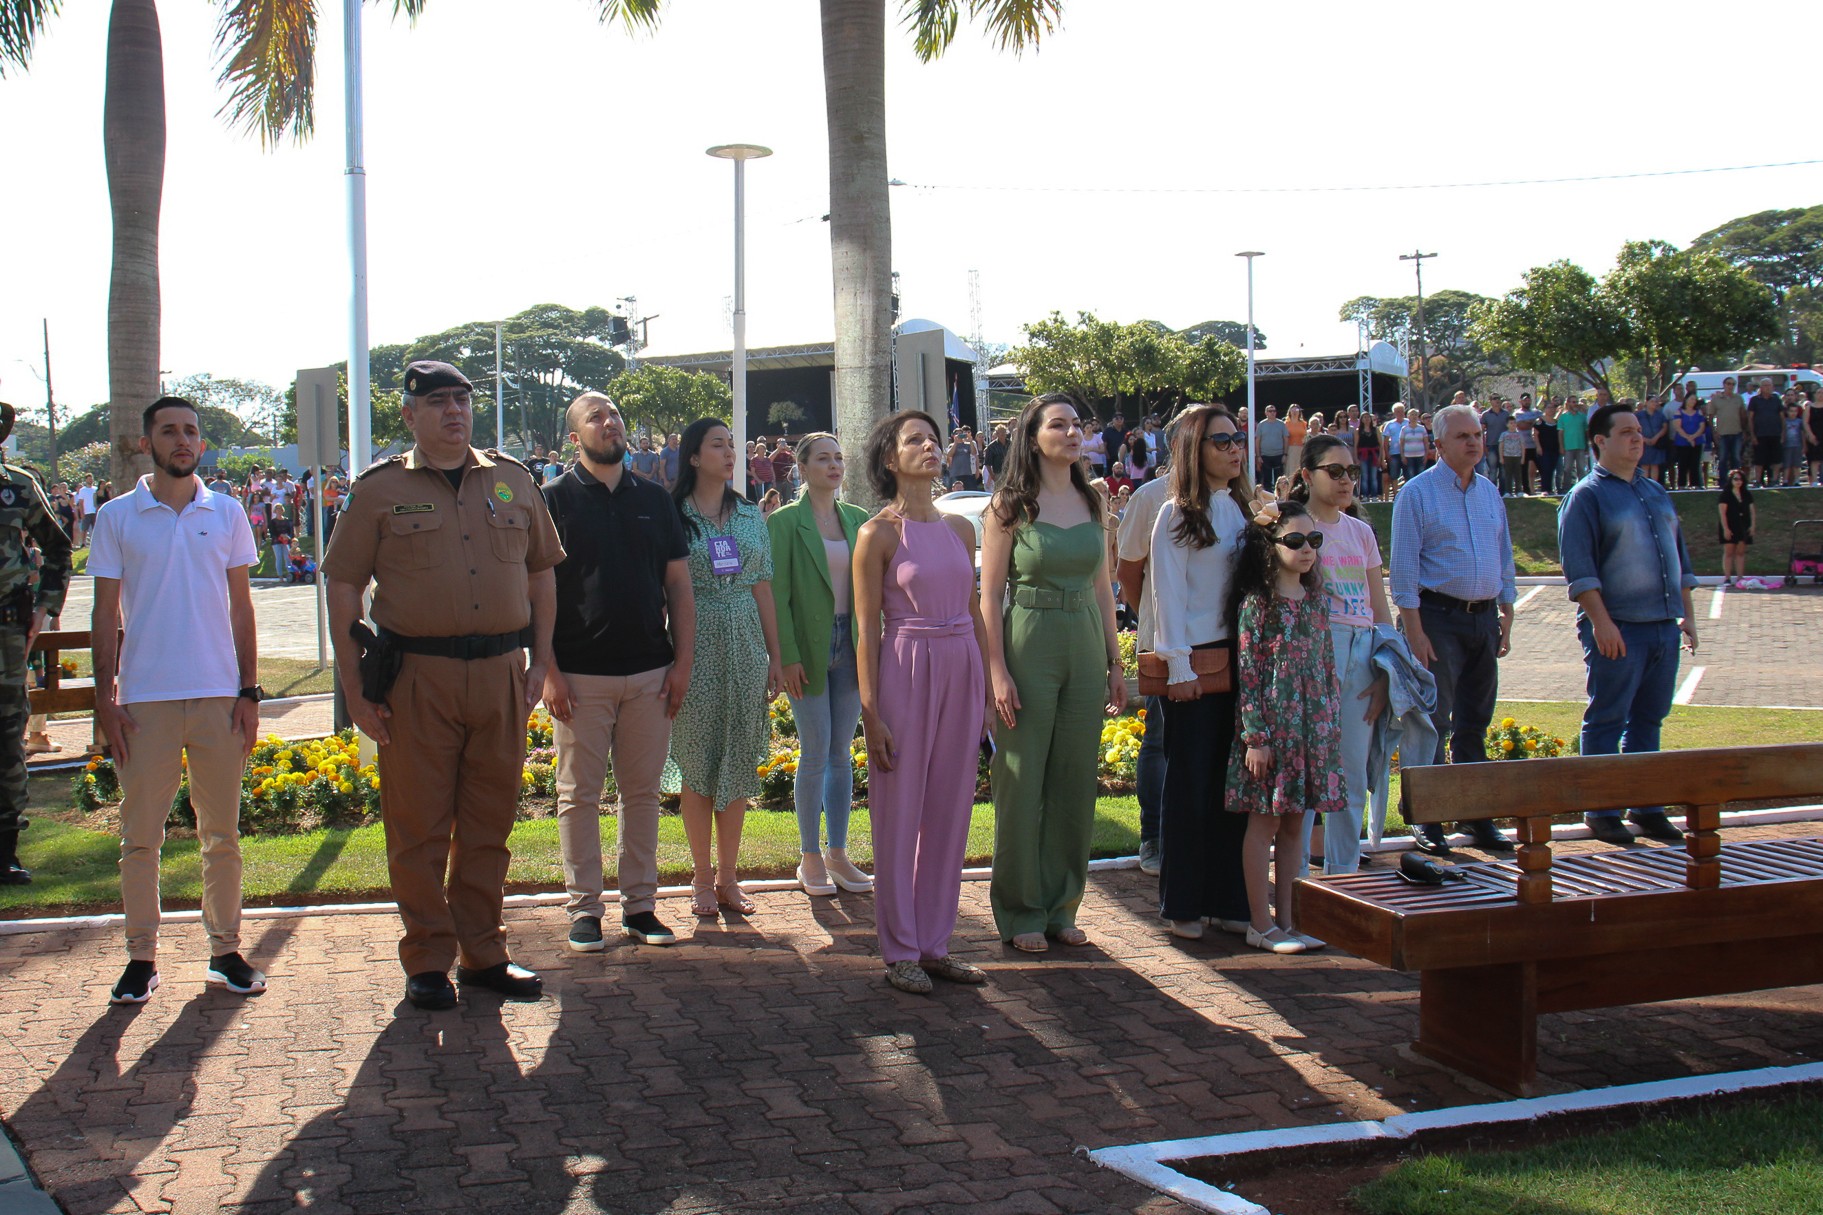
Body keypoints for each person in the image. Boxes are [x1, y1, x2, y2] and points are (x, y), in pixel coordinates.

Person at [323, 360, 563, 1011]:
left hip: (500, 673)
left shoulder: (513, 480)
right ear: (409, 415)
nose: (454, 411)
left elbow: (542, 574)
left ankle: (484, 952)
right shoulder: (379, 489)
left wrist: (540, 661)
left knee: (489, 823)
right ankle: (428, 957)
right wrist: (354, 687)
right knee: (418, 826)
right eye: (437, 402)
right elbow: (343, 584)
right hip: (417, 678)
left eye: (461, 399)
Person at [90, 396, 265, 1004]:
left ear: (201, 443)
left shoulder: (228, 512)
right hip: (145, 702)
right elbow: (104, 613)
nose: (182, 440)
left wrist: (249, 691)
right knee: (141, 838)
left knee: (222, 836)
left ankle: (225, 952)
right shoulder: (116, 516)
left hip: (219, 697)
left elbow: (242, 607)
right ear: (148, 444)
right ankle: (142, 958)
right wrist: (105, 699)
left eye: (191, 430)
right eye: (169, 431)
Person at [541, 392, 695, 953]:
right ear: (574, 437)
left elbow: (678, 586)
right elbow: (537, 593)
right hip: (578, 677)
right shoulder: (552, 501)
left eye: (614, 416)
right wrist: (549, 671)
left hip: (650, 672)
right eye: (596, 418)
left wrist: (681, 664)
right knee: (578, 796)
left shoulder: (654, 499)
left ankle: (640, 907)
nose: (610, 423)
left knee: (643, 794)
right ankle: (584, 909)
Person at [982, 395, 1125, 953]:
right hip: (1029, 639)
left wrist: (1115, 661)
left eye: (1076, 425)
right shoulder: (1009, 505)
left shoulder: (1094, 499)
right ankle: (1020, 910)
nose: (1072, 433)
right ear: (1033, 437)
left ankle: (1062, 905)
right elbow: (989, 596)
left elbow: (1103, 587)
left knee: (1074, 780)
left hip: (1085, 641)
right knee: (1020, 780)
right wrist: (997, 669)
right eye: (1058, 425)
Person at [854, 411, 990, 994]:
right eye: (916, 440)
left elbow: (976, 611)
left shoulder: (961, 528)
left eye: (934, 439)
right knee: (900, 812)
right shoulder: (877, 534)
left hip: (962, 665)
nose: (930, 447)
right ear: (891, 459)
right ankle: (900, 950)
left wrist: (987, 689)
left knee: (950, 813)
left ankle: (936, 945)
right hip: (906, 667)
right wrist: (871, 714)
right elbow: (867, 631)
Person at [1558, 404, 1699, 847]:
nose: (1637, 438)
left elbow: (1679, 557)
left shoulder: (1655, 491)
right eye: (1626, 432)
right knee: (1607, 718)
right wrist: (1602, 624)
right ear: (1600, 441)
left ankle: (1647, 806)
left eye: (1638, 431)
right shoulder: (1586, 496)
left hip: (1662, 627)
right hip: (1618, 628)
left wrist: (1688, 616)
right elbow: (1579, 570)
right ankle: (1602, 811)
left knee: (1649, 719)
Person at [665, 418, 784, 918]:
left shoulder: (750, 515)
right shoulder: (673, 515)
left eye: (732, 444)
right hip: (694, 647)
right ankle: (699, 877)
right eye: (718, 445)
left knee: (736, 764)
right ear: (694, 457)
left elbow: (762, 586)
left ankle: (728, 878)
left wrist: (776, 656)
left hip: (747, 648)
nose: (730, 452)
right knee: (698, 765)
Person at [1389, 403, 1517, 856]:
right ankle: (1427, 817)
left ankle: (1475, 815)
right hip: (1437, 620)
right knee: (1432, 723)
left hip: (1483, 619)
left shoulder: (1489, 492)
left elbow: (1503, 556)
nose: (1473, 442)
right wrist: (1415, 632)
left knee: (1474, 723)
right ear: (1438, 444)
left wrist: (1507, 612)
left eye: (1477, 434)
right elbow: (1404, 572)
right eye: (1463, 436)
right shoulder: (1417, 494)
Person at [1147, 405, 1252, 940]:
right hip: (1195, 659)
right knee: (1189, 785)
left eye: (1238, 438)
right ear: (1195, 448)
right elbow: (1166, 593)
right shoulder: (1177, 514)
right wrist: (1178, 665)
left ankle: (1228, 899)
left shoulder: (1242, 507)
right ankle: (1184, 903)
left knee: (1233, 786)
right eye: (1221, 440)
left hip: (1243, 656)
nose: (1234, 448)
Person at [1225, 496, 1342, 954]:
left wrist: (1329, 724)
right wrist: (1256, 737)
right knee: (1265, 825)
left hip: (1310, 732)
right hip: (1273, 734)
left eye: (1313, 539)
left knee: (1295, 827)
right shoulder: (1259, 604)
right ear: (1270, 545)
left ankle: (1289, 922)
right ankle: (1260, 923)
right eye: (1295, 540)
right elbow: (1249, 674)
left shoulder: (1316, 602)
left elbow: (1326, 666)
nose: (1306, 548)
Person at [767, 432, 873, 897]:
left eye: (839, 458)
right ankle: (809, 856)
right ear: (802, 468)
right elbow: (777, 596)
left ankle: (838, 852)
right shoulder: (785, 522)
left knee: (840, 754)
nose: (834, 466)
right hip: (806, 649)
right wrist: (785, 656)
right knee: (815, 751)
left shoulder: (858, 519)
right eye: (824, 459)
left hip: (851, 645)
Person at [1291, 436, 1392, 875]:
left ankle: (1345, 876)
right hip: (1315, 647)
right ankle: (1296, 883)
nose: (1346, 480)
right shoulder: (1293, 527)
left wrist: (1387, 669)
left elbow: (1379, 606)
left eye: (1351, 471)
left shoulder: (1361, 532)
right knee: (1307, 774)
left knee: (1351, 774)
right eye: (1334, 471)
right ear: (1306, 475)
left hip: (1363, 651)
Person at [0, 401, 73, 886]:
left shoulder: (18, 486)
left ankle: (5, 849)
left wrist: (45, 608)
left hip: (7, 632)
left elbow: (58, 547)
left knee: (7, 734)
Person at [1114, 450, 1176, 877]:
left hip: (1223, 643)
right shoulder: (1151, 497)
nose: (1230, 448)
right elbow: (1127, 571)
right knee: (1158, 739)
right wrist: (1152, 618)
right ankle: (1153, 835)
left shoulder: (1233, 496)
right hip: (1164, 644)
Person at [1717, 472, 1754, 585]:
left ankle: (1740, 577)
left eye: (1740, 479)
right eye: (1736, 479)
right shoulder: (1725, 495)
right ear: (1731, 480)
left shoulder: (1746, 494)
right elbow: (1722, 513)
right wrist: (1726, 529)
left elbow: (1752, 511)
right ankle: (1727, 578)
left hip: (1743, 524)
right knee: (1729, 552)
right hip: (1730, 524)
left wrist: (1752, 525)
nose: (1738, 481)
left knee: (1740, 552)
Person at [1747, 378, 1784, 487]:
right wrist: (1752, 435)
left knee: (1776, 460)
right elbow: (1750, 418)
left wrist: (1783, 433)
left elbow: (1782, 418)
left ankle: (1774, 480)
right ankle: (1758, 481)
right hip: (1760, 435)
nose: (1767, 387)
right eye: (1765, 385)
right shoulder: (1754, 400)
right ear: (1761, 387)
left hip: (1775, 434)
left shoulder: (1776, 399)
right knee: (1759, 460)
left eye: (1769, 385)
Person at [1670, 393, 1708, 489]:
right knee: (1683, 463)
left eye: (1695, 399)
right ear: (1686, 399)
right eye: (1691, 399)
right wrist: (1688, 438)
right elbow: (1677, 427)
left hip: (1697, 441)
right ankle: (1682, 485)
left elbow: (1702, 427)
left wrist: (1693, 437)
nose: (1693, 401)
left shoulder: (1698, 412)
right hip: (1682, 442)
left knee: (1695, 463)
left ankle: (1695, 484)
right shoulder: (1679, 412)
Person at [1635, 394, 1669, 484]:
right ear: (1646, 402)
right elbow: (1635, 428)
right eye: (1652, 401)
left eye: (1656, 402)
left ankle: (1654, 485)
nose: (1654, 403)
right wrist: (1644, 439)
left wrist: (1656, 438)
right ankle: (1645, 485)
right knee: (1644, 465)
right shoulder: (1639, 415)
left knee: (1655, 465)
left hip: (1656, 443)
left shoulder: (1660, 415)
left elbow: (1665, 427)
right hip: (1643, 444)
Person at [1255, 405, 1289, 487]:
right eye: (1270, 411)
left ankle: (1280, 494)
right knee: (1267, 480)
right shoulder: (1261, 425)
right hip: (1265, 456)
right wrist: (1258, 456)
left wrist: (1285, 454)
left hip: (1279, 455)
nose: (1272, 413)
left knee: (1280, 480)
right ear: (1266, 413)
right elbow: (1257, 440)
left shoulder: (1281, 424)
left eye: (1274, 411)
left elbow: (1286, 439)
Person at [1535, 400, 1562, 495]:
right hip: (1543, 449)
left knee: (1552, 468)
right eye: (1548, 407)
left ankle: (1550, 489)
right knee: (1545, 468)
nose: (1551, 410)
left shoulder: (1556, 422)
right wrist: (1538, 447)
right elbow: (1535, 435)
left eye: (1553, 408)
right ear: (1544, 409)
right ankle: (1544, 489)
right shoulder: (1539, 421)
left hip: (1555, 449)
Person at [945, 426, 980, 491]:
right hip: (955, 474)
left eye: (961, 434)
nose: (959, 435)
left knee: (970, 491)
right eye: (957, 434)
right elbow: (949, 454)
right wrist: (955, 443)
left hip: (967, 473)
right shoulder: (951, 445)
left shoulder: (967, 445)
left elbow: (974, 453)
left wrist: (971, 441)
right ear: (953, 435)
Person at [267, 504, 295, 581]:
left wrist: (287, 537)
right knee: (279, 558)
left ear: (282, 510)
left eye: (280, 509)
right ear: (275, 511)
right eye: (277, 509)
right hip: (276, 542)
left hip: (285, 541)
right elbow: (272, 532)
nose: (279, 510)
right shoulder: (273, 521)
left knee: (287, 558)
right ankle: (280, 576)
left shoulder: (287, 520)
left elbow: (290, 531)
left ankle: (290, 574)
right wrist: (280, 535)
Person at [1782, 400, 1807, 487]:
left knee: (1797, 464)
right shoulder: (1784, 421)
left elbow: (1803, 434)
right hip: (1787, 446)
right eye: (1791, 411)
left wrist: (1804, 446)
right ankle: (1785, 481)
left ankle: (1797, 481)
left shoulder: (1799, 421)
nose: (1793, 413)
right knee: (1787, 464)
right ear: (1787, 411)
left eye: (1795, 411)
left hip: (1797, 445)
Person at [984, 423, 1010, 492]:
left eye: (1004, 432)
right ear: (997, 434)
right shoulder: (991, 447)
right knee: (999, 493)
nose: (1003, 434)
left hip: (1011, 473)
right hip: (998, 474)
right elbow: (987, 463)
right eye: (1000, 432)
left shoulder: (1011, 444)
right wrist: (992, 475)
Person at [1286, 405, 1309, 481]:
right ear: (1290, 412)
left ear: (1299, 412)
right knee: (1291, 469)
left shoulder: (1303, 423)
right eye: (1292, 410)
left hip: (1301, 449)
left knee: (1300, 468)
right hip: (1290, 449)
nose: (1294, 412)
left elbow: (1305, 436)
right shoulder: (1286, 423)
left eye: (1296, 410)